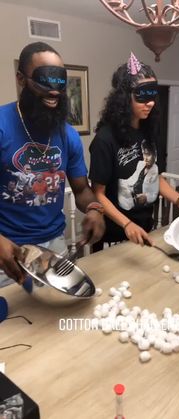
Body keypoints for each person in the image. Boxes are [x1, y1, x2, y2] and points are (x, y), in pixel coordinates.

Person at [0, 42, 105, 286]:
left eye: (59, 82)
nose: (54, 92)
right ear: (21, 79)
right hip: (7, 249)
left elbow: (81, 190)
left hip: (54, 246)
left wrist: (94, 209)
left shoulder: (68, 135)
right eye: (44, 80)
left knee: (53, 315)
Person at [89, 52, 179, 250]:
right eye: (142, 96)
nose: (150, 102)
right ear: (124, 97)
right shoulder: (105, 139)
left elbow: (156, 176)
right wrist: (127, 224)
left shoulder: (150, 132)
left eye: (152, 95)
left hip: (145, 230)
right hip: (113, 236)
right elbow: (98, 194)